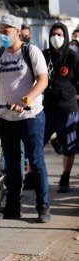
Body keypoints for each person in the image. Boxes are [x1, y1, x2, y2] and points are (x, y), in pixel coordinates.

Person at [0, 14, 50, 223]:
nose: (2, 36)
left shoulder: (30, 51)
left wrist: (26, 100)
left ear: (17, 32)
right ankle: (13, 208)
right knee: (13, 165)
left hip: (30, 116)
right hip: (6, 118)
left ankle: (43, 207)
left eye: (6, 32)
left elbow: (43, 80)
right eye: (0, 32)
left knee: (36, 161)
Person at [42, 22, 79, 193]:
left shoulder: (72, 57)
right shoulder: (44, 55)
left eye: (60, 34)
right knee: (37, 143)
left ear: (65, 36)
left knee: (69, 146)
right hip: (46, 108)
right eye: (53, 34)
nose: (56, 38)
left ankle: (65, 176)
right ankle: (30, 176)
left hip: (67, 109)